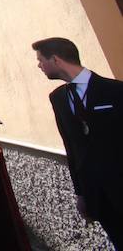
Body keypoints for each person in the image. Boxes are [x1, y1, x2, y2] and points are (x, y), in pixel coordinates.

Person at [33, 37, 123, 247]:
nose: (39, 66)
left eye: (40, 60)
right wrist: (81, 193)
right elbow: (71, 148)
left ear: (55, 60)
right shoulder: (58, 98)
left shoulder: (115, 91)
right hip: (98, 194)